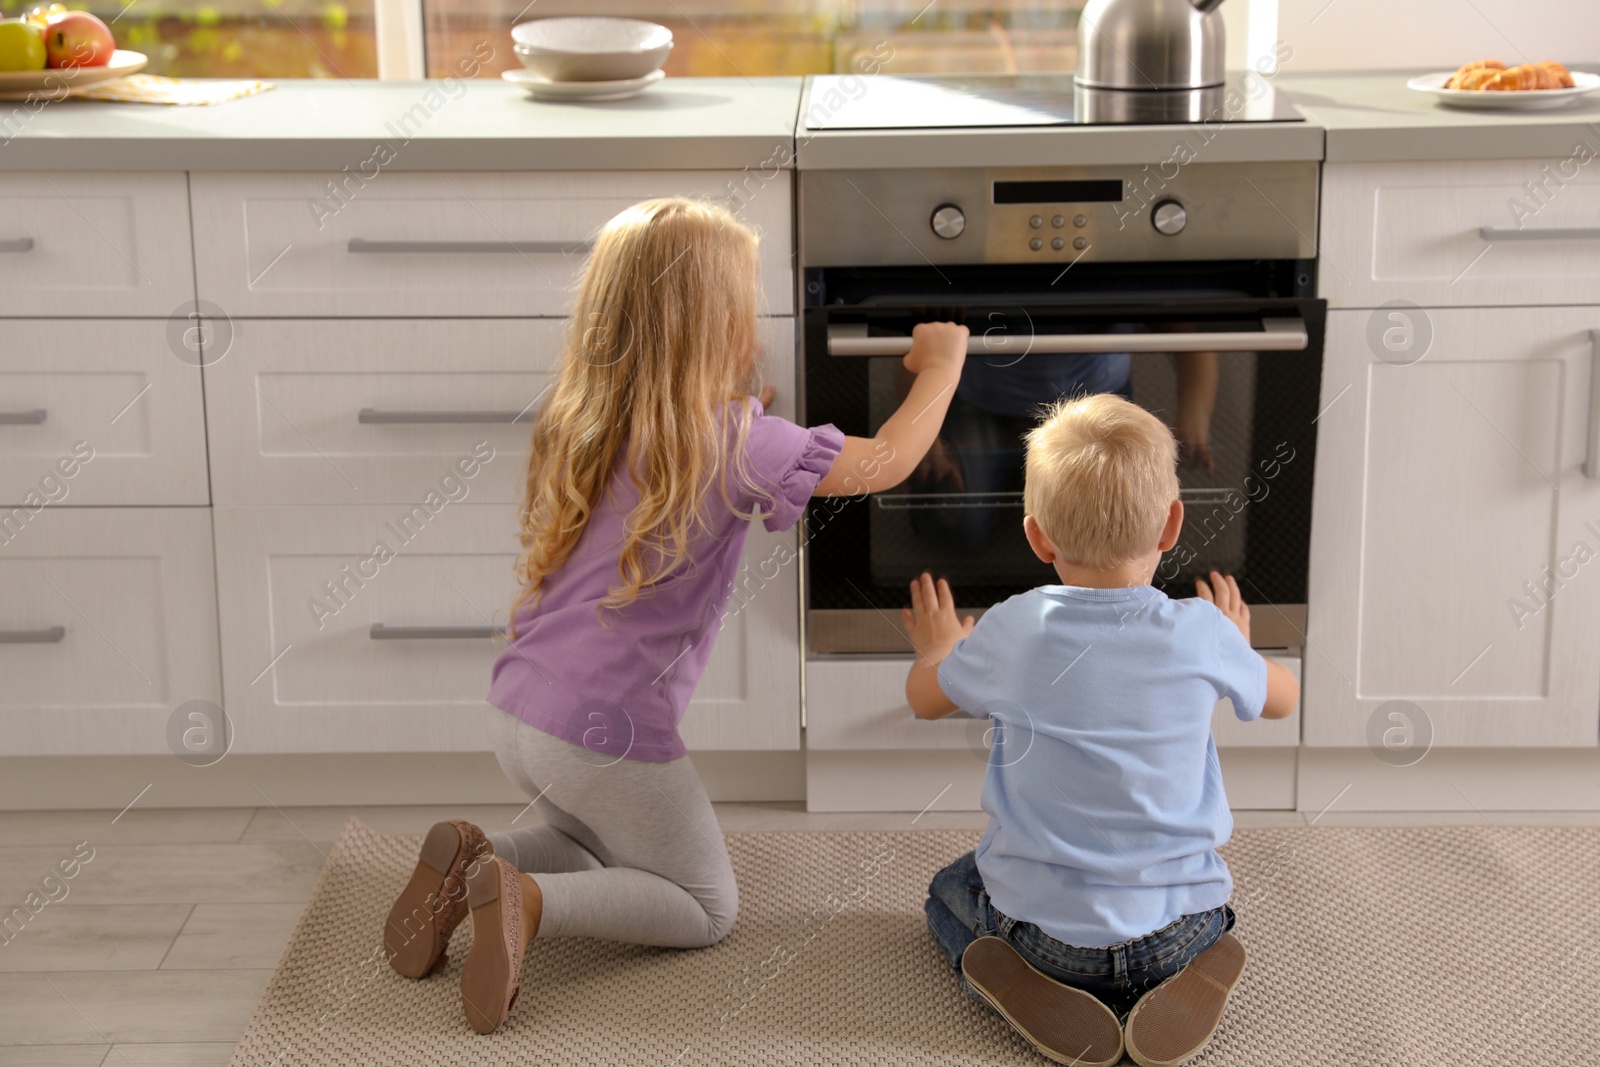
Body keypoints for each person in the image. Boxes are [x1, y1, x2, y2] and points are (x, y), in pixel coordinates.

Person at [379, 197, 969, 1034]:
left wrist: (750, 416)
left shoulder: (588, 421)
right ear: (720, 324)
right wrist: (942, 367)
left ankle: (483, 859)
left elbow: (697, 461)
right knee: (703, 904)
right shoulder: (735, 441)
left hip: (520, 709)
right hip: (604, 732)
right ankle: (528, 899)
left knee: (595, 840)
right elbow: (886, 462)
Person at [902, 393, 1298, 1067]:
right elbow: (1284, 700)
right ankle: (1188, 967)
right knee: (1206, 901)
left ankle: (1029, 982)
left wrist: (940, 647)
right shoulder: (1199, 633)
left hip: (1050, 935)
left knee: (948, 890)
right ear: (1172, 524)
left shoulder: (1013, 626)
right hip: (1182, 923)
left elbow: (924, 700)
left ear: (1037, 534)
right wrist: (1235, 642)